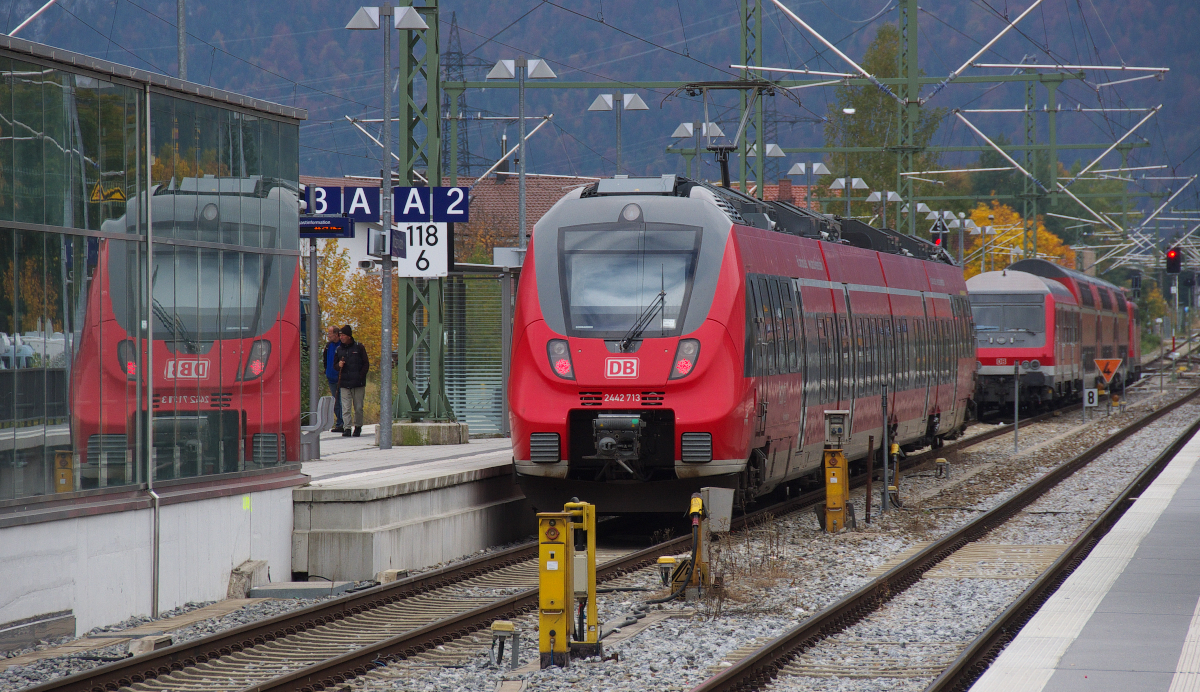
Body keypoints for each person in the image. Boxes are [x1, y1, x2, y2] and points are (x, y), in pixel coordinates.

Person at [334, 325, 369, 437]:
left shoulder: (359, 347)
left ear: (349, 336)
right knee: (346, 407)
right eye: (340, 335)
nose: (341, 337)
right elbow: (335, 365)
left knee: (358, 407)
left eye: (343, 335)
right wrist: (338, 365)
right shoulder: (339, 349)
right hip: (344, 383)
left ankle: (358, 426)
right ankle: (347, 427)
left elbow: (366, 364)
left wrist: (360, 376)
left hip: (358, 383)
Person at [322, 326, 345, 433]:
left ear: (336, 334)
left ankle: (344, 422)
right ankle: (339, 422)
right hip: (331, 377)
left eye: (330, 333)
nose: (328, 336)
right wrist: (326, 370)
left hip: (341, 377)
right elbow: (325, 359)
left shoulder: (342, 345)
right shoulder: (328, 346)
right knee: (335, 401)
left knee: (343, 401)